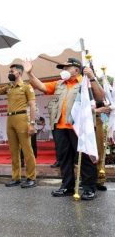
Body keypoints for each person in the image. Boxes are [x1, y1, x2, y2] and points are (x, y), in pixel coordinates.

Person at [24, 57, 104, 200]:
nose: (63, 70)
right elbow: (41, 86)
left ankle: (88, 188)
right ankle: (67, 186)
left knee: (84, 158)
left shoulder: (85, 83)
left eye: (66, 68)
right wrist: (30, 73)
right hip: (59, 126)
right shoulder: (60, 83)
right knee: (64, 158)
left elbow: (100, 97)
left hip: (79, 128)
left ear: (76, 69)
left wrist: (92, 78)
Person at [0, 64, 37, 189]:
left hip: (22, 118)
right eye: (9, 71)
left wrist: (32, 124)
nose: (9, 73)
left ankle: (31, 177)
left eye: (12, 71)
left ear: (19, 73)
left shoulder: (26, 87)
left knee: (27, 150)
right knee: (13, 151)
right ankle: (16, 177)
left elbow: (32, 106)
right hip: (10, 118)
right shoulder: (9, 87)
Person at [94, 101, 111, 191]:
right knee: (88, 153)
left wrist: (108, 108)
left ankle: (100, 180)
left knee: (100, 151)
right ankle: (88, 180)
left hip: (98, 120)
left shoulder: (102, 89)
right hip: (85, 121)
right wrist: (96, 110)